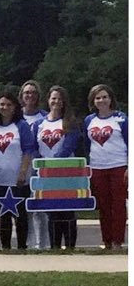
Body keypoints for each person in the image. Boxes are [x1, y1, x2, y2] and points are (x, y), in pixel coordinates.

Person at [32, 86, 81, 250]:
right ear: (48, 100)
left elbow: (67, 148)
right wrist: (42, 167)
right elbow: (34, 149)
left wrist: (52, 165)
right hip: (45, 175)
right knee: (51, 211)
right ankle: (54, 247)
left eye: (60, 99)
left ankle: (70, 246)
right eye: (54, 98)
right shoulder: (39, 124)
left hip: (66, 173)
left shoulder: (70, 123)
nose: (56, 102)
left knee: (67, 210)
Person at [0, 90, 36, 250]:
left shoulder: (21, 126)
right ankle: (5, 248)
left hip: (19, 180)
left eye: (8, 104)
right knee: (3, 217)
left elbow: (28, 150)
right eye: (2, 104)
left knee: (21, 216)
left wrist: (23, 171)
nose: (5, 107)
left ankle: (22, 247)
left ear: (15, 107)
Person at [82, 84, 126, 250]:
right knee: (104, 205)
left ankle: (118, 241)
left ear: (110, 99)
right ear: (93, 101)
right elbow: (87, 145)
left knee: (118, 205)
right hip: (97, 167)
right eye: (98, 97)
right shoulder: (89, 121)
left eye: (104, 97)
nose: (101, 100)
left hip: (119, 165)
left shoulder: (121, 119)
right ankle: (106, 240)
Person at [19, 80, 50, 249]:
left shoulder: (44, 117)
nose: (29, 95)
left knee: (41, 208)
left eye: (33, 92)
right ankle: (29, 243)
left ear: (38, 96)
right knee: (25, 208)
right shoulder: (17, 117)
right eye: (26, 92)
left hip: (40, 167)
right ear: (21, 96)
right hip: (21, 168)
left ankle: (43, 243)